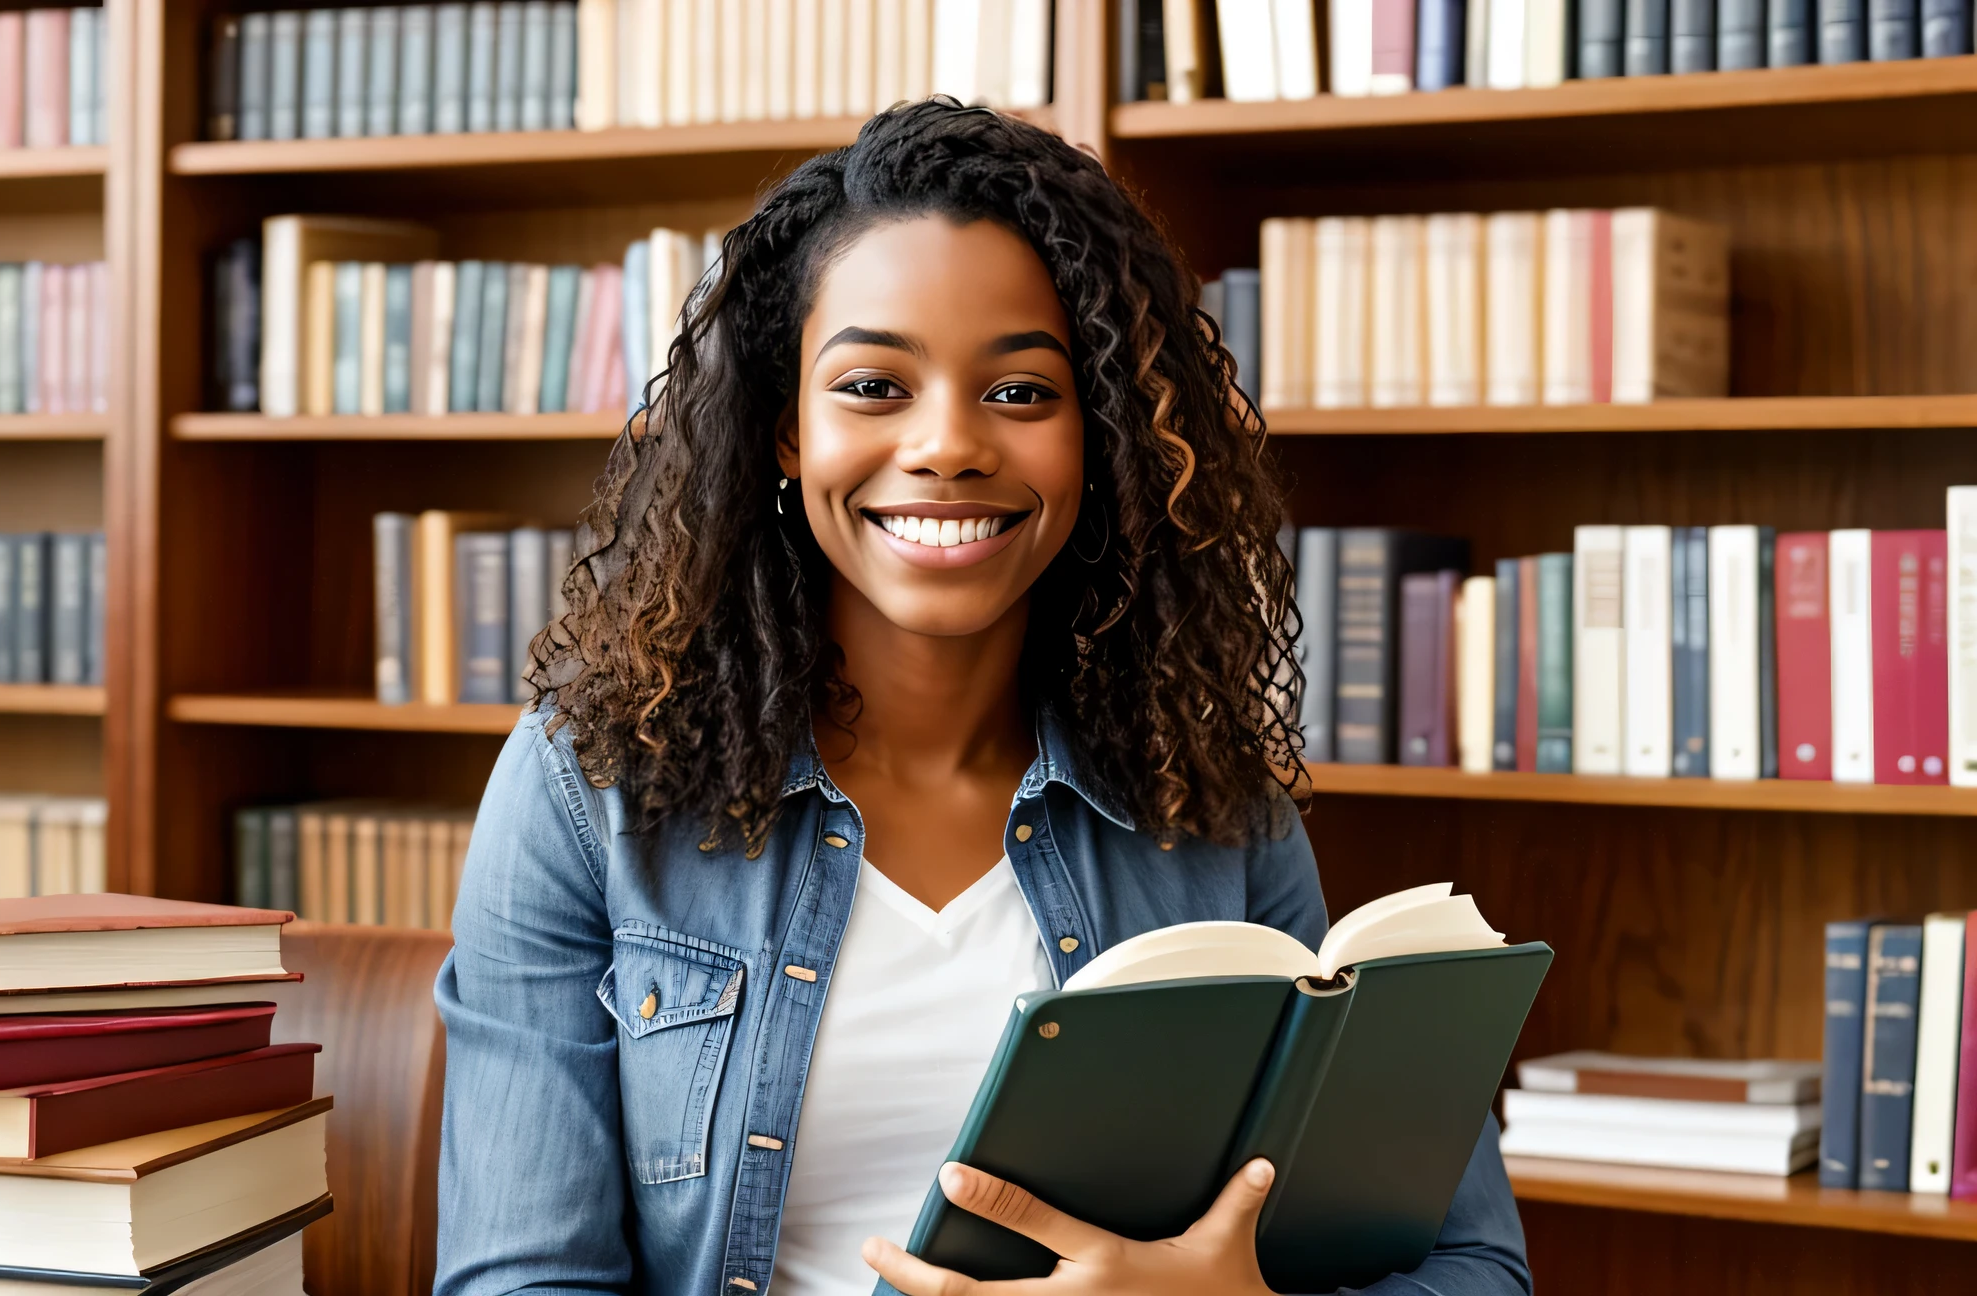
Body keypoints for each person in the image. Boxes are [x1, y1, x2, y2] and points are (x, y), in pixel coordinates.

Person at [432, 99, 1529, 1296]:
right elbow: (521, 1280)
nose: (949, 445)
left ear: (1097, 438)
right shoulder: (588, 786)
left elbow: (1471, 1266)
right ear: (783, 431)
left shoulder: (1209, 803)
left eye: (1020, 393)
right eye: (872, 386)